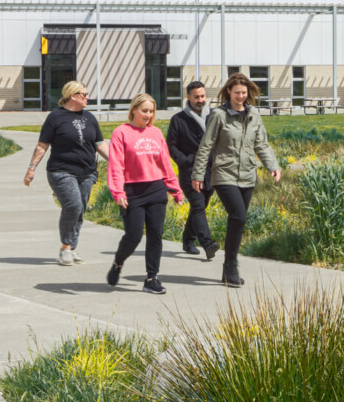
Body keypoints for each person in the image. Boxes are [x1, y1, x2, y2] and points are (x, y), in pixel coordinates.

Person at [190, 72, 280, 288]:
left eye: (244, 92)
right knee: (238, 216)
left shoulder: (254, 115)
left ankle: (228, 266)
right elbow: (206, 146)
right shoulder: (219, 115)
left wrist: (273, 165)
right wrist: (197, 174)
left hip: (248, 174)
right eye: (237, 92)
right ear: (228, 91)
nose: (240, 96)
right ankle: (231, 266)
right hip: (224, 174)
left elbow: (262, 144)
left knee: (238, 220)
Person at [105, 93, 185, 295]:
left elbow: (165, 163)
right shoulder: (121, 133)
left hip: (156, 189)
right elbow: (116, 165)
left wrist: (175, 189)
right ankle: (118, 262)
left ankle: (151, 278)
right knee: (133, 236)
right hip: (133, 191)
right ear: (134, 110)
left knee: (156, 235)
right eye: (144, 111)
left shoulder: (156, 133)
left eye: (151, 111)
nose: (148, 115)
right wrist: (118, 192)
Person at [25, 80, 108, 265]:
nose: (88, 98)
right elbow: (42, 145)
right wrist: (31, 169)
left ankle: (71, 248)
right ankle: (65, 247)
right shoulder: (55, 117)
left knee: (80, 211)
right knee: (73, 206)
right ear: (73, 95)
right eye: (84, 94)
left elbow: (99, 144)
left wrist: (116, 161)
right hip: (61, 171)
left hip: (87, 172)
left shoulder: (90, 118)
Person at [165, 80, 219, 259]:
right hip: (189, 172)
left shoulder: (214, 115)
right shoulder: (178, 120)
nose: (201, 100)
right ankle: (207, 243)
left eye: (203, 96)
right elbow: (171, 146)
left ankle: (188, 240)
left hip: (211, 171)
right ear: (188, 97)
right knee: (197, 204)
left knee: (200, 206)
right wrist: (186, 160)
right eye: (196, 97)